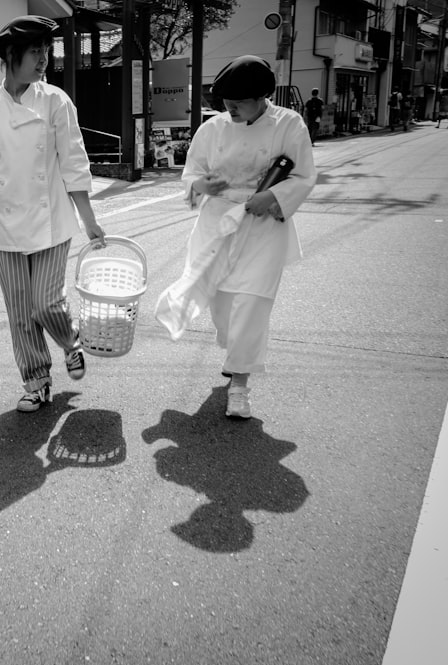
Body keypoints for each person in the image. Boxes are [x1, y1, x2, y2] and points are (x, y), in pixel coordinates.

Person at [0, 15, 106, 413]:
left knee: (46, 304)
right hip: (6, 225)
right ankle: (36, 380)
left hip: (52, 221)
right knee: (20, 313)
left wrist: (88, 221)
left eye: (46, 51)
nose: (44, 60)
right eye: (35, 51)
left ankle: (71, 340)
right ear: (10, 56)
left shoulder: (56, 101)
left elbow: (74, 163)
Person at [154, 55, 317, 419]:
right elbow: (191, 172)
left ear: (262, 98)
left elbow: (304, 175)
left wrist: (272, 197)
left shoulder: (289, 124)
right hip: (219, 221)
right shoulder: (213, 129)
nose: (230, 111)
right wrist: (200, 184)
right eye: (226, 106)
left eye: (238, 104)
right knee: (222, 304)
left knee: (252, 303)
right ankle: (235, 351)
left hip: (263, 224)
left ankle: (240, 383)